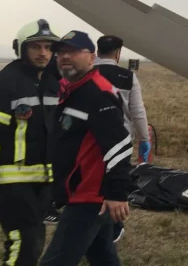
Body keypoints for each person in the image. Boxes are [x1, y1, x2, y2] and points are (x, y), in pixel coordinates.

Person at [39, 31, 135, 266]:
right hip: (80, 192)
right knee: (103, 257)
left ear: (92, 58)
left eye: (73, 51)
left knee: (56, 261)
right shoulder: (72, 90)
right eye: (61, 52)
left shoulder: (98, 93)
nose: (64, 57)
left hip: (89, 195)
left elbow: (119, 144)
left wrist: (116, 193)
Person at [0, 19, 61, 266]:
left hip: (44, 180)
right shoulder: (2, 84)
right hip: (12, 181)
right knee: (26, 242)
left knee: (34, 239)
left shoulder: (55, 84)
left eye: (49, 48)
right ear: (21, 49)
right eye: (36, 47)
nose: (43, 53)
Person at [94, 34, 151, 243]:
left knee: (94, 181)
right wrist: (145, 138)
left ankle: (97, 221)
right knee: (116, 181)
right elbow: (138, 111)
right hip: (121, 140)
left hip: (91, 140)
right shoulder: (128, 77)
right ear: (118, 54)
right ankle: (114, 226)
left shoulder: (87, 73)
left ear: (97, 51)